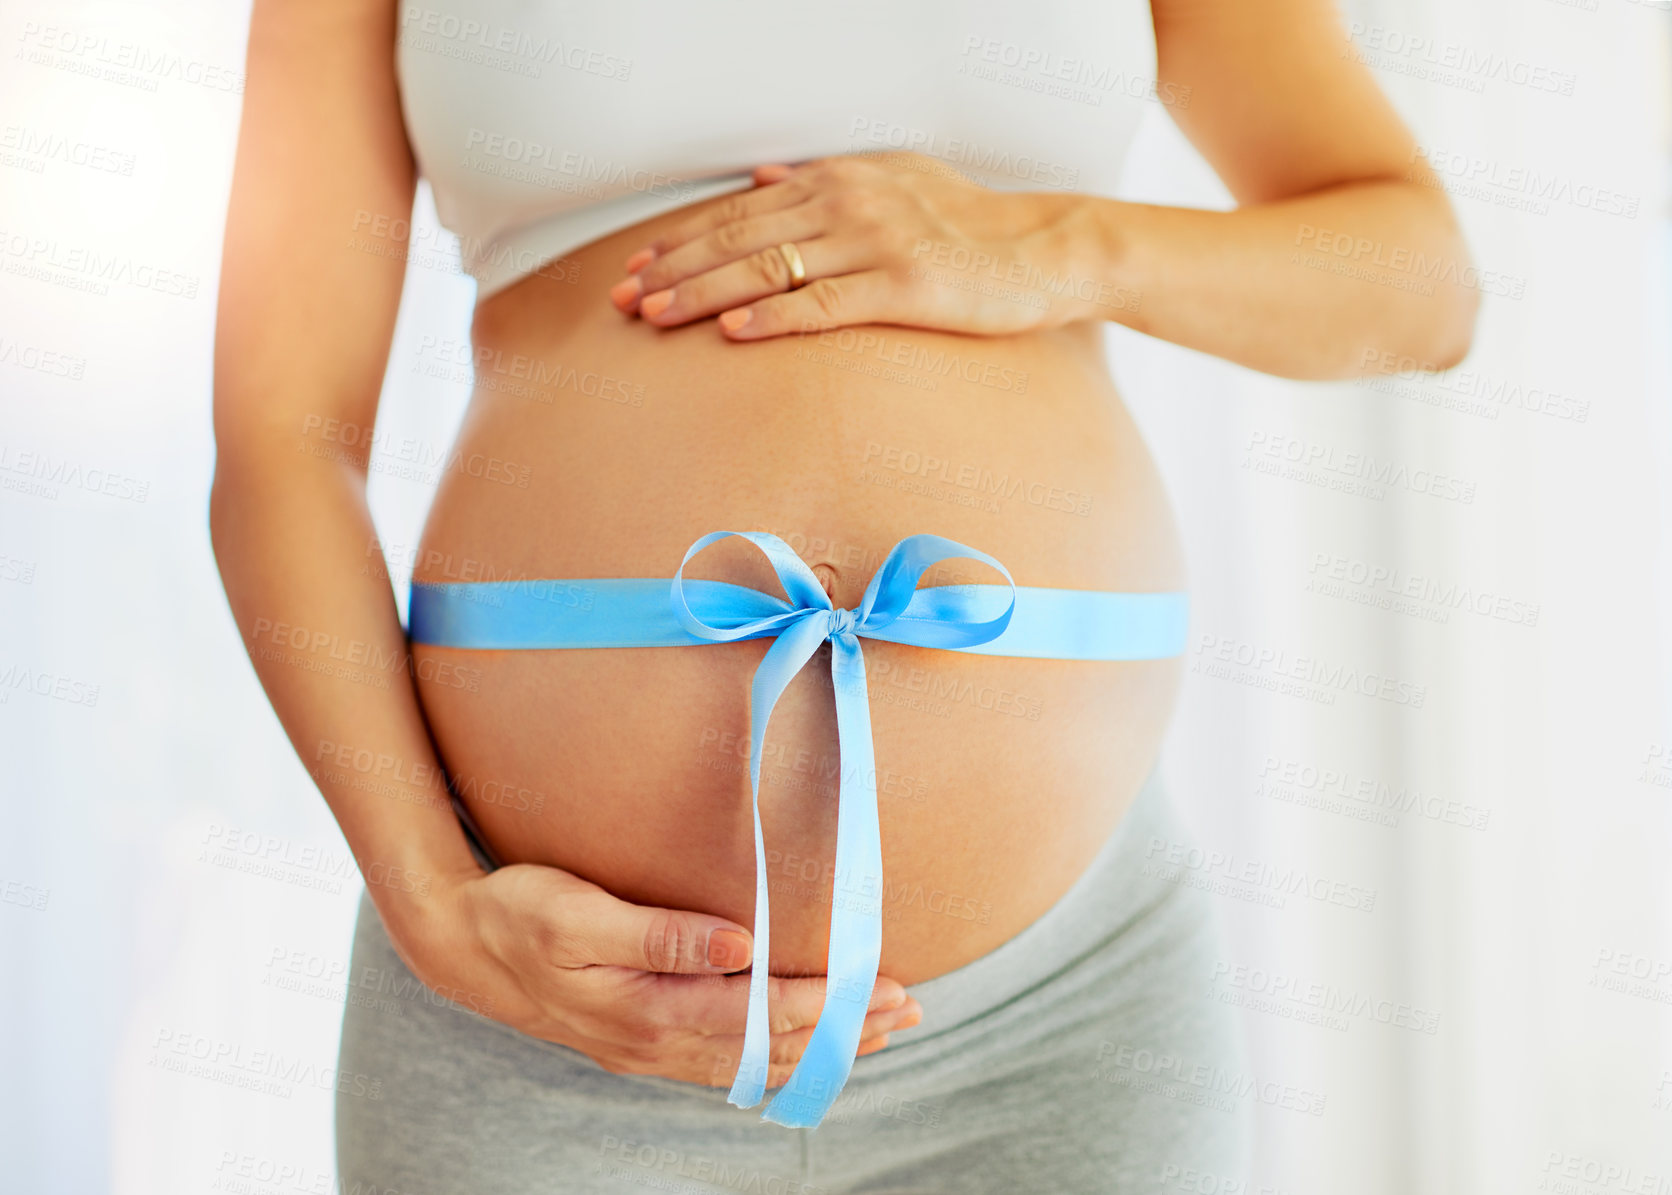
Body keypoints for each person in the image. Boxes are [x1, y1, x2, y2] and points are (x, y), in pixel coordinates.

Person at [210, 0, 1477, 1189]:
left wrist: (1060, 243)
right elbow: (281, 439)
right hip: (535, 1015)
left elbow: (1417, 287)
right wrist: (436, 909)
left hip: (1057, 1022)